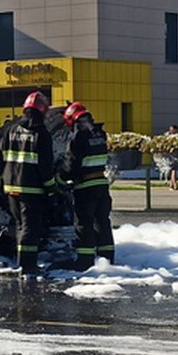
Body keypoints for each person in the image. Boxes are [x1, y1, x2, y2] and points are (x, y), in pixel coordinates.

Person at [0, 91, 55, 277]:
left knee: (20, 226)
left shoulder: (10, 130)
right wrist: (52, 188)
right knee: (30, 228)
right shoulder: (41, 133)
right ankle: (27, 266)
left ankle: (21, 262)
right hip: (32, 190)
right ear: (43, 111)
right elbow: (45, 166)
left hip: (11, 188)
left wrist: (1, 181)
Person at [61, 101, 115, 270]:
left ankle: (84, 262)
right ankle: (107, 259)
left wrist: (60, 179)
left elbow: (72, 163)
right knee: (102, 222)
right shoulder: (99, 133)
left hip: (85, 186)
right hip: (101, 183)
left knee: (84, 223)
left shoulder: (79, 135)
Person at [165, 124, 178, 190]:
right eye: (170, 129)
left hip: (176, 155)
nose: (171, 131)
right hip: (169, 155)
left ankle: (172, 185)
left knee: (173, 169)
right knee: (173, 169)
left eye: (172, 129)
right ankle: (174, 184)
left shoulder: (177, 137)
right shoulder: (167, 135)